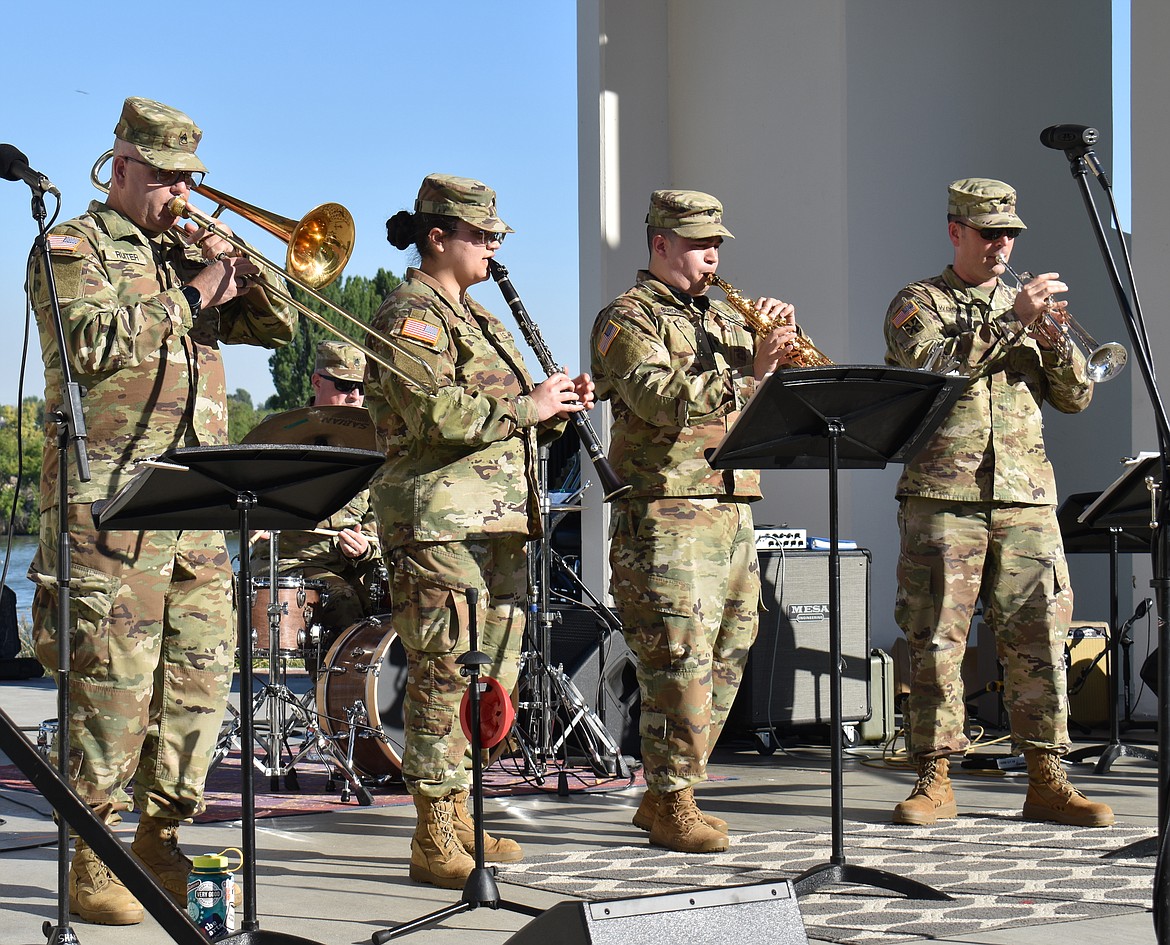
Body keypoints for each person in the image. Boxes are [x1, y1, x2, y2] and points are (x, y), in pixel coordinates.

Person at [27, 96, 296, 925]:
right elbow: (88, 343)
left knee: (198, 683)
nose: (181, 193)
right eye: (169, 179)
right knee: (113, 681)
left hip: (200, 501)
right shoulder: (72, 246)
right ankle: (89, 851)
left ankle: (160, 835)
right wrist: (191, 292)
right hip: (111, 501)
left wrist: (242, 266)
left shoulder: (184, 249)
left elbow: (283, 328)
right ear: (124, 166)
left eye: (191, 180)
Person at [365, 174, 593, 888]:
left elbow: (503, 420)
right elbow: (437, 416)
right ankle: (432, 830)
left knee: (490, 673)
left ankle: (463, 807)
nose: (493, 248)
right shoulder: (411, 314)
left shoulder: (484, 319)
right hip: (437, 522)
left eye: (497, 237)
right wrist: (530, 405)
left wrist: (557, 408)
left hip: (495, 525)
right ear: (439, 236)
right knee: (443, 670)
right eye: (482, 235)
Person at [884, 177, 1113, 828]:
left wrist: (1056, 340)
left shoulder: (1026, 305)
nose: (1002, 244)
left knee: (1041, 635)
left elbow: (1074, 396)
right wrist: (1011, 321)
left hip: (1024, 495)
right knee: (936, 641)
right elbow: (933, 371)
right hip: (943, 493)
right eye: (989, 232)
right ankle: (935, 777)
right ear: (956, 231)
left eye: (1010, 233)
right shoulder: (918, 302)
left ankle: (1047, 776)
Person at [590, 189, 798, 854]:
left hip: (731, 509)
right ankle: (676, 797)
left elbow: (772, 395)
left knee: (729, 655)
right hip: (665, 508)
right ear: (660, 244)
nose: (712, 255)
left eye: (718, 244)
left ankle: (664, 793)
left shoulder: (725, 321)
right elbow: (658, 398)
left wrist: (774, 343)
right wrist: (750, 375)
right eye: (699, 243)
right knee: (677, 659)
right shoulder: (626, 318)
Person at [250, 340, 386, 650]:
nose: (355, 395)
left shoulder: (375, 442)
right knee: (342, 600)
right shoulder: (277, 436)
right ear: (317, 381)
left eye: (361, 387)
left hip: (356, 565)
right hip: (291, 563)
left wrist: (366, 543)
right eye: (344, 384)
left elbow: (384, 513)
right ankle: (338, 693)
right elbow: (247, 496)